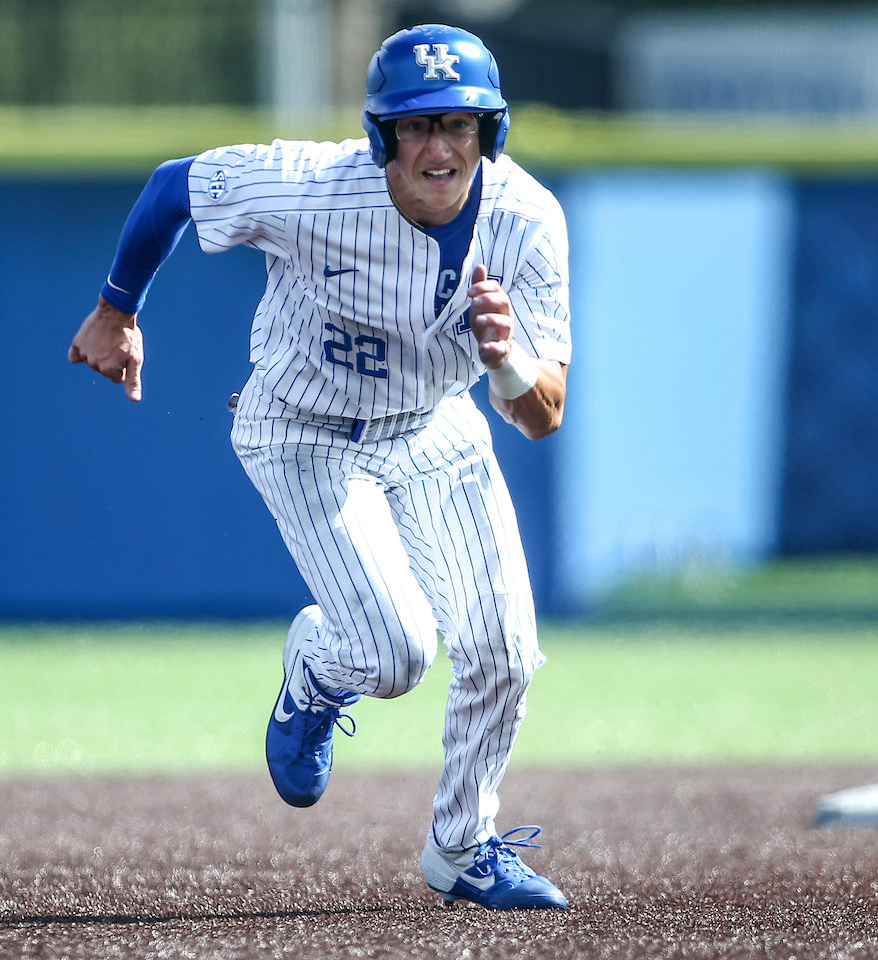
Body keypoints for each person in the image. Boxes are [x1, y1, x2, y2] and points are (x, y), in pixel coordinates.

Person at [68, 23, 571, 911]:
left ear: (487, 132)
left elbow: (542, 416)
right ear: (382, 135)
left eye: (458, 123)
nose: (438, 146)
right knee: (398, 653)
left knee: (506, 653)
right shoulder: (309, 186)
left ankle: (462, 844)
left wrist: (507, 364)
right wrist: (118, 309)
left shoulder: (528, 221)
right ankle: (319, 668)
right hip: (303, 429)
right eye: (415, 126)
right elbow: (173, 186)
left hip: (434, 427)